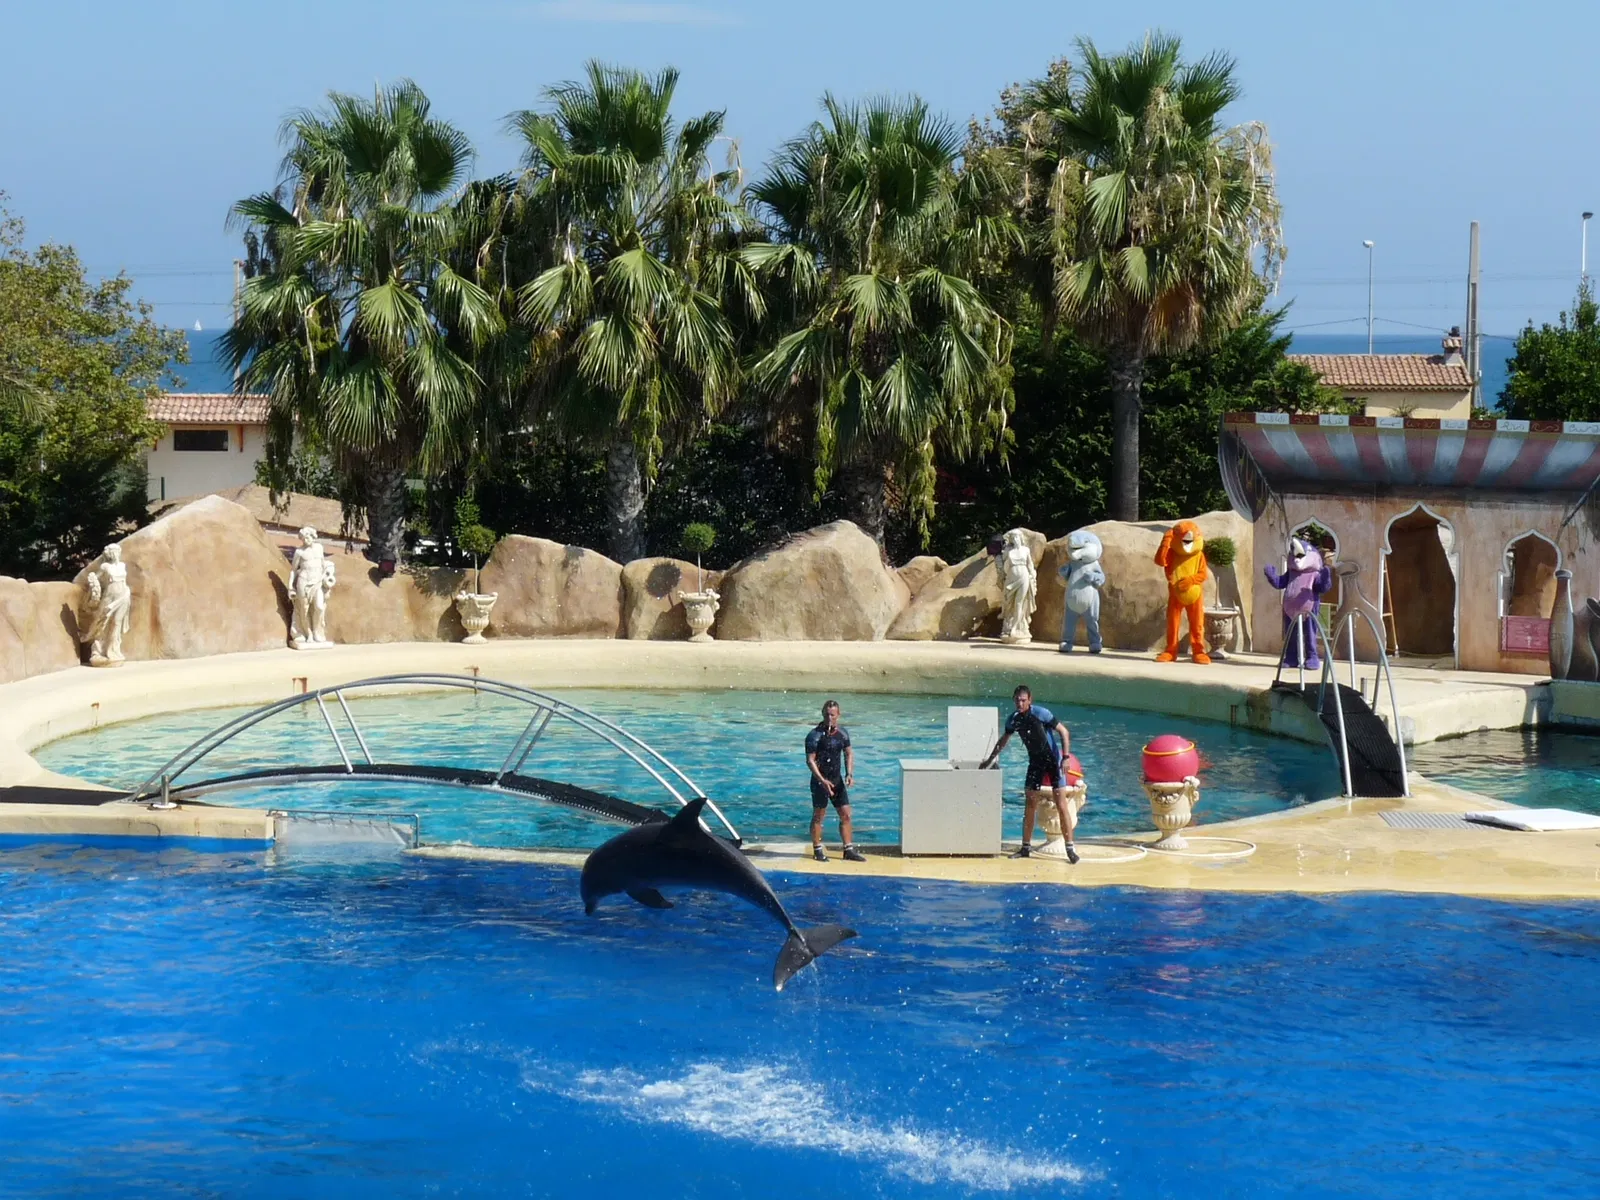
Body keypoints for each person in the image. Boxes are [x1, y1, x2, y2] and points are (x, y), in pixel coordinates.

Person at [979, 685, 1080, 863]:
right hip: (1035, 763)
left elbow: (1064, 732)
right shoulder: (1013, 720)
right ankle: (1025, 847)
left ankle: (1069, 848)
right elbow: (1004, 740)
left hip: (1053, 762)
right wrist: (989, 760)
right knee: (1030, 804)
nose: (1020, 703)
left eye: (1023, 700)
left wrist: (1065, 757)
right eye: (1017, 700)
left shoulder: (1041, 714)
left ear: (1030, 700)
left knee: (1061, 804)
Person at [805, 700, 865, 863]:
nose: (829, 717)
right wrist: (822, 780)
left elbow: (848, 753)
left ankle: (848, 849)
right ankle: (817, 849)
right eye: (826, 714)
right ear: (822, 714)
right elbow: (810, 761)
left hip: (836, 780)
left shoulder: (843, 734)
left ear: (838, 715)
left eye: (832, 714)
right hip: (819, 781)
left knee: (845, 814)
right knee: (819, 815)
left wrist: (849, 773)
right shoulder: (814, 735)